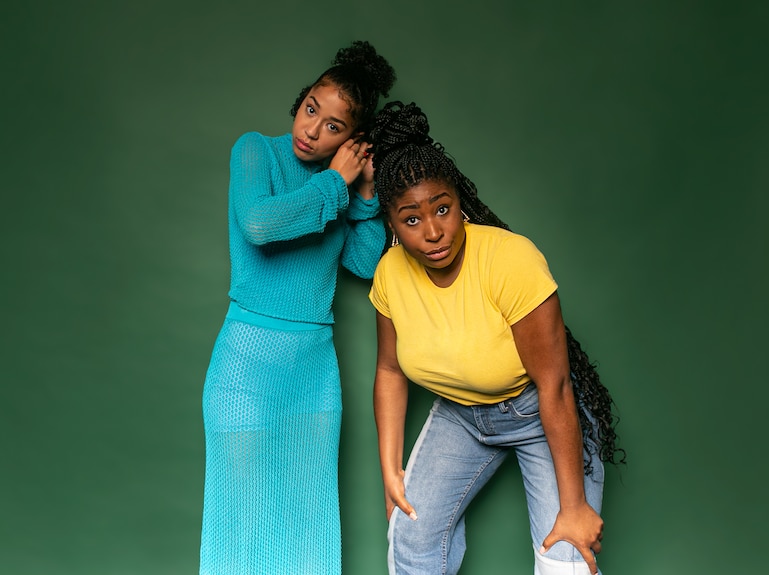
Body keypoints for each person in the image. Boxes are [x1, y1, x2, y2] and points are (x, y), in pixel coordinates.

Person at [367, 102, 624, 575]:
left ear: (458, 200)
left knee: (567, 561)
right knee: (409, 532)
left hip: (537, 411)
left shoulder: (510, 260)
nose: (434, 232)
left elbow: (556, 386)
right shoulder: (389, 275)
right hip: (461, 417)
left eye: (442, 209)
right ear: (391, 223)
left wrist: (574, 505)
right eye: (412, 219)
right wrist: (390, 470)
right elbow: (389, 369)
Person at [199, 41, 396, 575]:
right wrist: (336, 182)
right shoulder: (255, 151)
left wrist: (368, 194)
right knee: (241, 519)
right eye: (312, 108)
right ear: (300, 101)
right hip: (246, 366)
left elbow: (364, 265)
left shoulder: (340, 187)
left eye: (333, 126)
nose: (312, 130)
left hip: (313, 370)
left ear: (351, 141)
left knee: (309, 513)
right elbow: (259, 226)